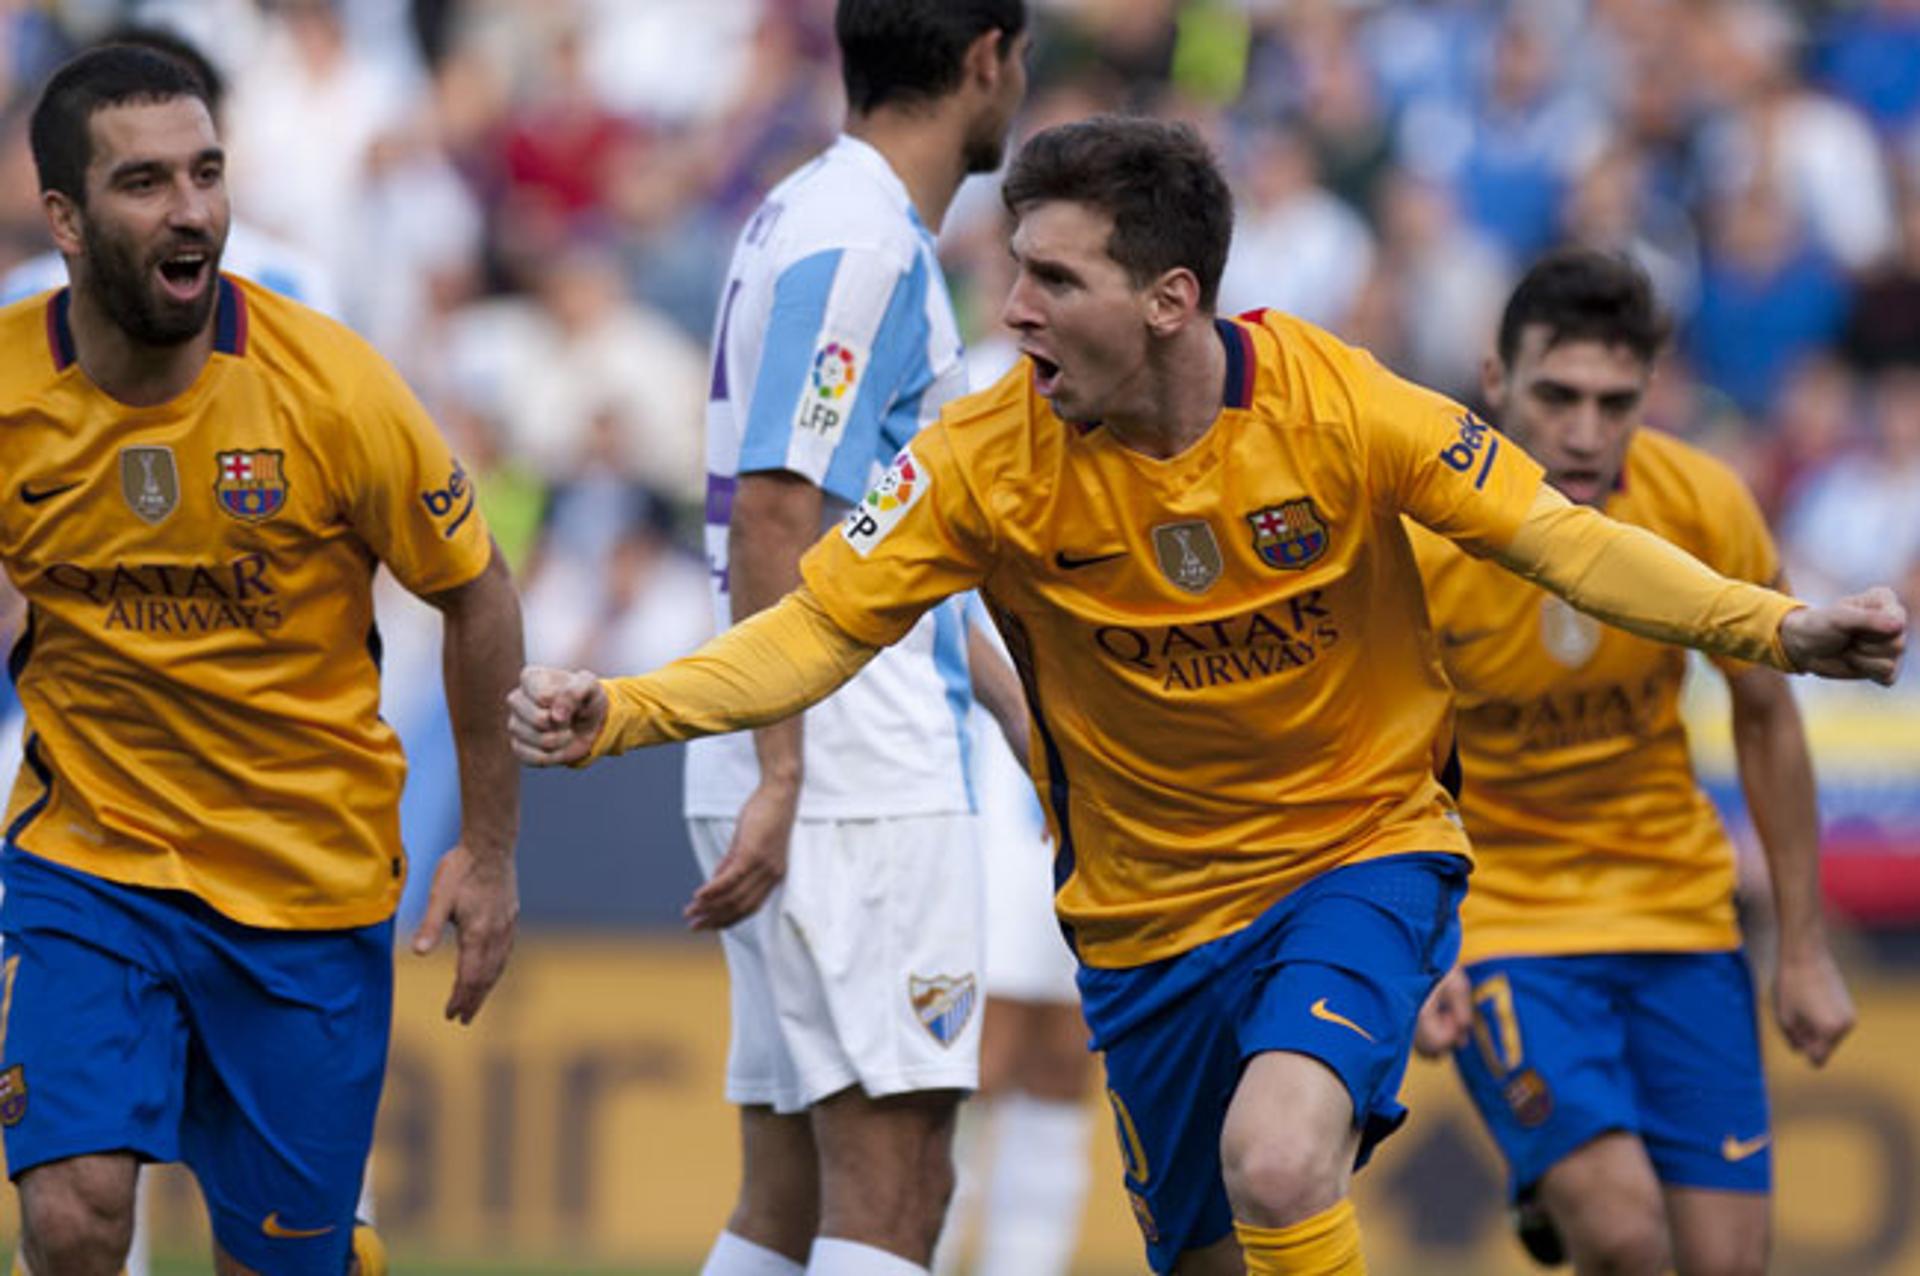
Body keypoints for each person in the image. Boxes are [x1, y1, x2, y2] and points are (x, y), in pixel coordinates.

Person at [509, 117, 1907, 1276]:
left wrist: (1781, 630)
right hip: (1146, 921)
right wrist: (626, 710)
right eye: (1012, 272)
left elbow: (1569, 543)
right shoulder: (983, 458)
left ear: (1170, 299)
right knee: (1216, 1246)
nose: (1012, 310)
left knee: (1282, 1157)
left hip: (1357, 856)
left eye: (1053, 279)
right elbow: (813, 628)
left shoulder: (1341, 407)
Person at [0, 44, 522, 1276]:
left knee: (277, 1261)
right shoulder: (11, 388)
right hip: (92, 862)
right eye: (144, 182)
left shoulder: (333, 388)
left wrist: (491, 850)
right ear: (64, 219)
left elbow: (479, 592)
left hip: (306, 883)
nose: (189, 209)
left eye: (206, 173)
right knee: (71, 1215)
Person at [1409, 249, 1856, 1275]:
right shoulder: (1422, 529)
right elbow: (1376, 755)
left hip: (1677, 912)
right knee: (1622, 1234)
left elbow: (1766, 715)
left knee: (1727, 1263)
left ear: (1649, 395)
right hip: (1507, 921)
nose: (1584, 429)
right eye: (1556, 394)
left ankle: (1550, 1191)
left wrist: (1803, 946)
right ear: (1494, 382)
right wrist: (1426, 942)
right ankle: (1565, 1190)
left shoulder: (1702, 500)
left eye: (1615, 402)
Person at [674, 3, 1028, 1275]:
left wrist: (1007, 708)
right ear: (988, 54)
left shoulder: (806, 210)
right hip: (847, 771)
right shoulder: (864, 242)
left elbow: (875, 534)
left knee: (786, 1192)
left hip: (806, 752)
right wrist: (786, 771)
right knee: (897, 1185)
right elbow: (781, 509)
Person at [934, 597, 1093, 1276]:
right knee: (974, 1059)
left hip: (1109, 778)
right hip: (999, 783)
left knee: (1066, 1059)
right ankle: (920, 1256)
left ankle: (1029, 1264)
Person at [0, 27, 339, 317]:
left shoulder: (290, 289)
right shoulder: (29, 300)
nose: (184, 210)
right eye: (144, 179)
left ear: (218, 134)